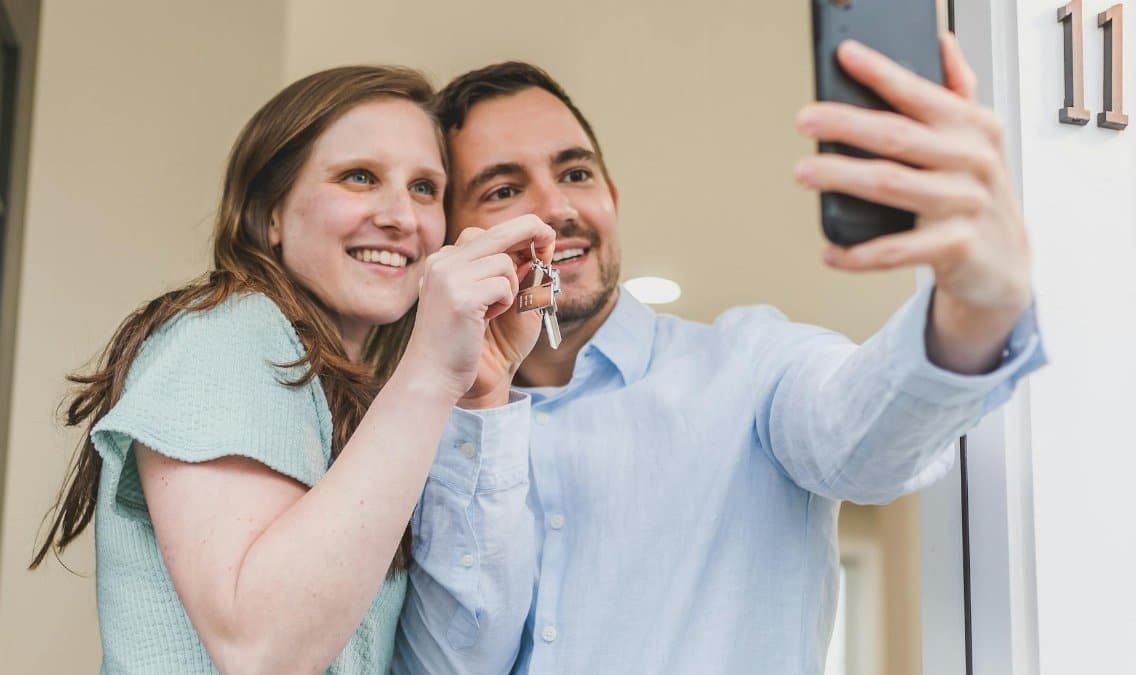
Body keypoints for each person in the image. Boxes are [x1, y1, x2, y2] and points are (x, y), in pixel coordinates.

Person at [395, 35, 1046, 674]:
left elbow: (863, 440)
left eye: (575, 173)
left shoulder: (752, 365)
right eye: (504, 189)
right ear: (454, 239)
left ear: (612, 198)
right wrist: (480, 405)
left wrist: (971, 310)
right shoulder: (421, 437)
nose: (558, 208)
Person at [30, 65, 555, 674]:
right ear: (270, 212)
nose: (400, 217)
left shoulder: (370, 407)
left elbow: (452, 661)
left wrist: (481, 387)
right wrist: (432, 371)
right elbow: (262, 650)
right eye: (359, 177)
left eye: (423, 189)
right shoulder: (227, 331)